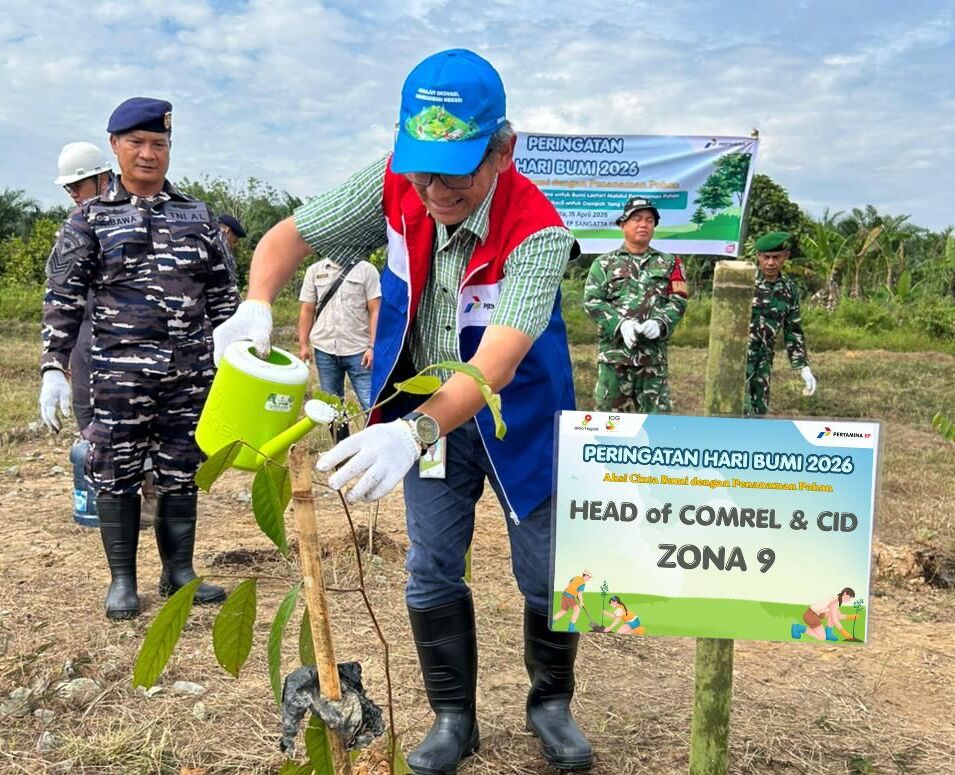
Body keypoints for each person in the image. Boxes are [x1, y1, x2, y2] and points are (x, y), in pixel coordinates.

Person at [212, 49, 593, 773]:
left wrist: (410, 432)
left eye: (455, 170)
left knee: (547, 573)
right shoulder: (395, 180)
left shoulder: (538, 231)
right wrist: (255, 301)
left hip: (518, 417)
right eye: (422, 167)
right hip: (417, 419)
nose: (432, 189)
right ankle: (454, 717)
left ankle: (550, 702)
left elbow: (494, 367)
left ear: (503, 150)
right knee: (431, 569)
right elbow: (287, 238)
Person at [39, 97, 240, 620]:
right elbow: (63, 298)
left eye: (159, 144)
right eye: (137, 143)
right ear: (115, 147)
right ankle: (122, 579)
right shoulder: (90, 219)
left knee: (181, 469)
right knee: (117, 469)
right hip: (118, 374)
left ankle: (180, 573)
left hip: (190, 374)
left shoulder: (195, 214)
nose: (149, 154)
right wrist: (53, 367)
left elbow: (223, 297)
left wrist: (238, 355)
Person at [583, 196, 688, 413]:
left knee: (658, 428)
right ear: (623, 224)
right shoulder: (604, 263)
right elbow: (592, 302)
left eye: (649, 220)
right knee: (608, 427)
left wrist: (661, 322)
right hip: (615, 358)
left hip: (653, 361)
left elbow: (679, 299)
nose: (643, 225)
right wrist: (620, 324)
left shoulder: (670, 263)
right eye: (637, 219)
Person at [297, 256, 381, 418]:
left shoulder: (366, 270)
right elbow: (307, 309)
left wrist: (372, 346)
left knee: (370, 404)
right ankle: (341, 442)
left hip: (359, 350)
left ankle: (373, 441)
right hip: (324, 349)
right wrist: (303, 344)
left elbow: (375, 309)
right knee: (332, 408)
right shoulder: (315, 271)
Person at [746, 231, 817, 416]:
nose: (770, 263)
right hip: (737, 359)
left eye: (776, 257)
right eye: (766, 257)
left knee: (758, 411)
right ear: (758, 256)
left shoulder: (789, 290)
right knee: (731, 412)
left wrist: (803, 366)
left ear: (785, 257)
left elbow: (793, 330)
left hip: (763, 360)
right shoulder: (744, 282)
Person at [791, 587, 858, 641]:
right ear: (845, 593)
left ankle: (829, 633)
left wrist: (851, 617)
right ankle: (798, 628)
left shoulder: (837, 598)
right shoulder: (835, 602)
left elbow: (838, 616)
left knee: (831, 614)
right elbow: (835, 620)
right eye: (849, 598)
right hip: (811, 615)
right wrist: (843, 631)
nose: (849, 600)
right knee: (822, 638)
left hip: (816, 614)